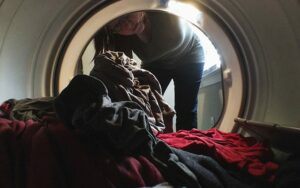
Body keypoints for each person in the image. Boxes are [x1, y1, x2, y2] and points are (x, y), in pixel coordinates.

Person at [93, 11, 205, 131]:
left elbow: (175, 39)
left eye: (126, 15)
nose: (128, 24)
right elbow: (126, 71)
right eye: (118, 25)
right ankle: (151, 142)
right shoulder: (123, 37)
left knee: (186, 110)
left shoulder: (160, 10)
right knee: (143, 105)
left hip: (189, 55)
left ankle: (189, 144)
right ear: (114, 31)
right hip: (155, 63)